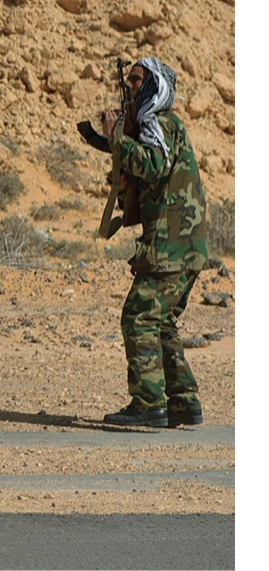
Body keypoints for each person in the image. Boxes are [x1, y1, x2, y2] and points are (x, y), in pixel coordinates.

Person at [96, 58, 210, 428]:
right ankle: (183, 402)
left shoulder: (157, 122)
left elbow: (155, 164)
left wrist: (117, 139)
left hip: (169, 249)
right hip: (185, 247)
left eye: (137, 81)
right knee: (162, 324)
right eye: (128, 81)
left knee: (138, 316)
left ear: (153, 87)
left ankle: (148, 404)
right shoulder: (165, 125)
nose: (130, 87)